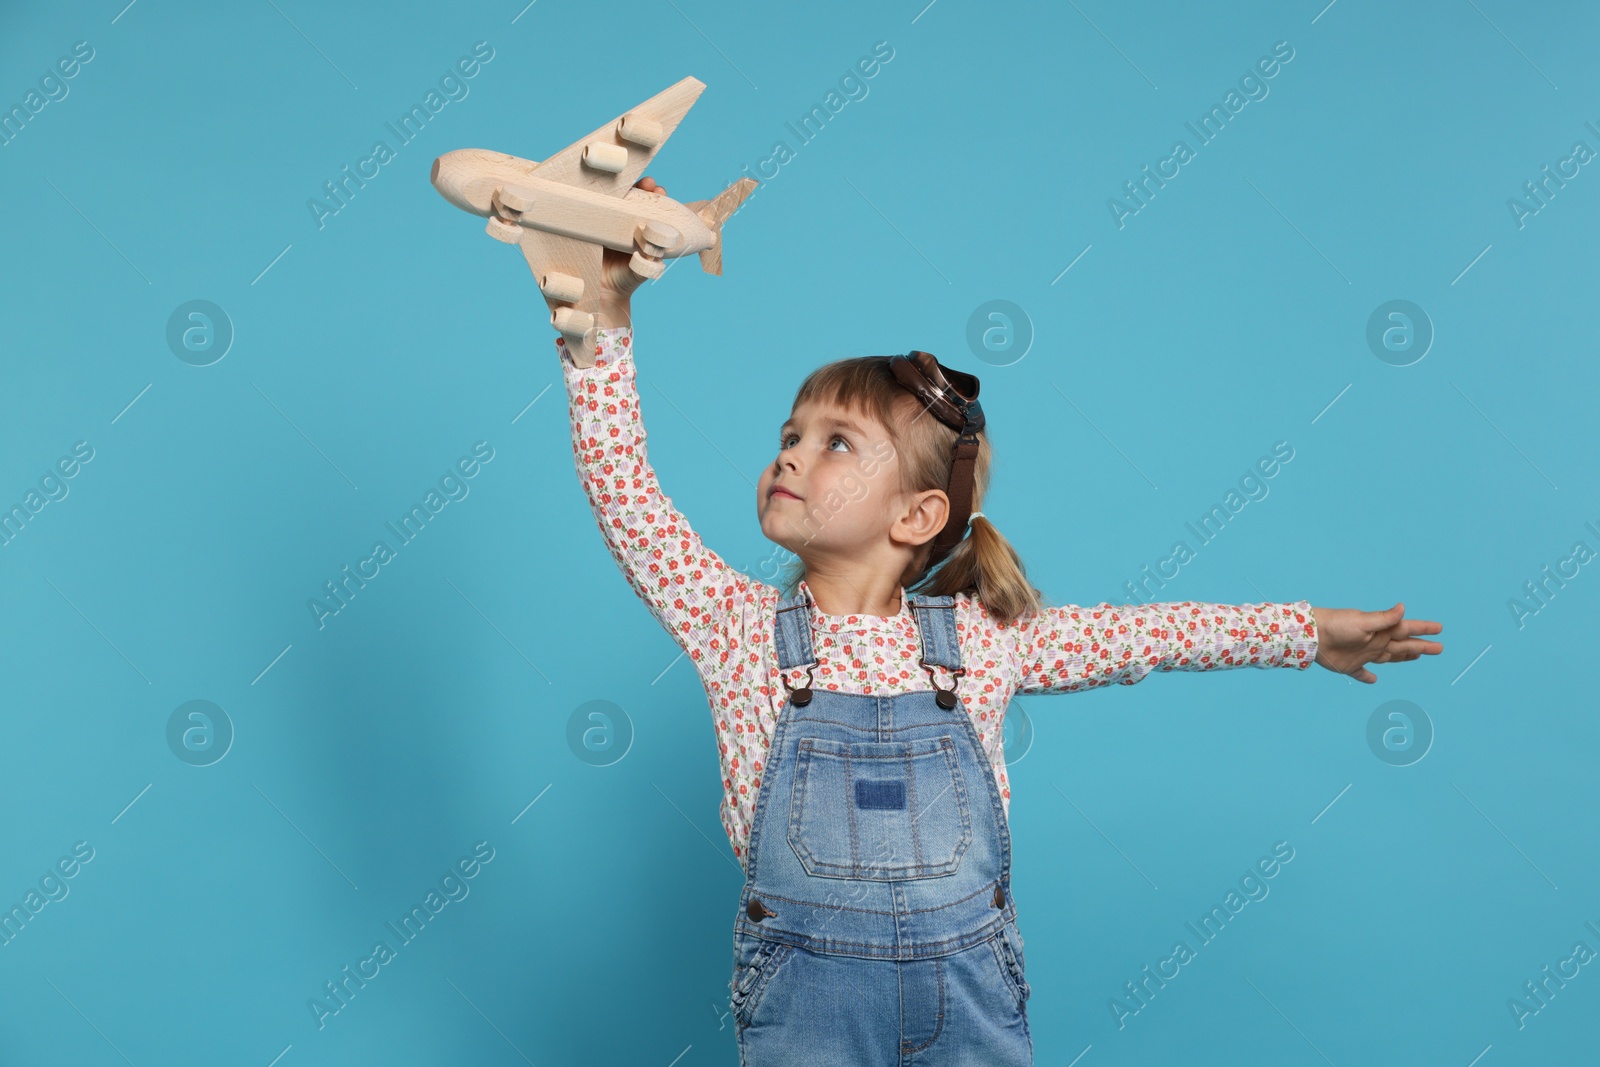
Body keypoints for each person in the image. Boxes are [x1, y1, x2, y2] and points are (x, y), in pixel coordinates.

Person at [553, 176, 1444, 1066]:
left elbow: (1152, 634)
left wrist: (1305, 632)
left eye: (836, 442)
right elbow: (623, 487)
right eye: (790, 433)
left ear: (917, 515)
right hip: (807, 1009)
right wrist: (605, 314)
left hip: (970, 1001)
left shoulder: (979, 638)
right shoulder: (732, 626)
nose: (790, 452)